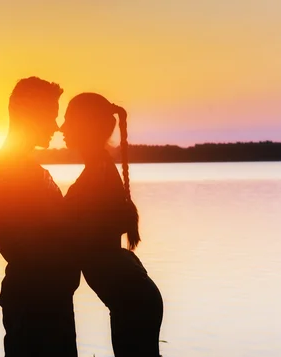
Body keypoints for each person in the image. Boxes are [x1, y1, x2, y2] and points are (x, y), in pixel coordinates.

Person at [61, 92, 163, 357]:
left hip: (134, 303)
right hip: (133, 299)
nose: (62, 127)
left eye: (69, 121)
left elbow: (76, 235)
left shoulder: (97, 175)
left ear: (87, 128)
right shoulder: (100, 169)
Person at [0, 77, 80, 357]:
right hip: (36, 306)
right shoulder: (11, 171)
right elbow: (28, 244)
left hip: (47, 300)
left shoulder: (24, 168)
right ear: (30, 116)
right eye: (50, 116)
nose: (56, 125)